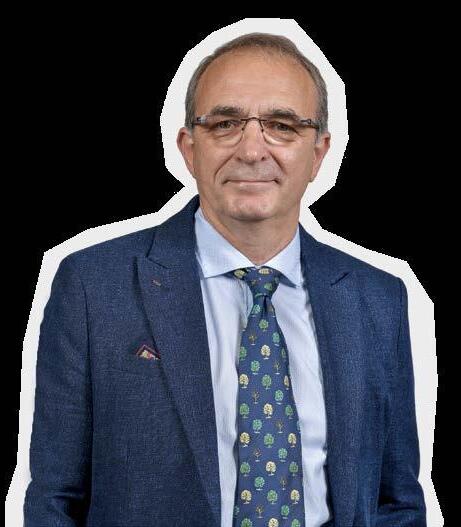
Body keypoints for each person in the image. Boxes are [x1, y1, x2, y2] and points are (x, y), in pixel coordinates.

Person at [23, 32, 427, 526]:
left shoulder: (377, 298)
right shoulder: (93, 287)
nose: (252, 150)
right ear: (189, 148)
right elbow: (54, 500)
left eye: (282, 126)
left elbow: (396, 501)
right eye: (225, 124)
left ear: (319, 153)